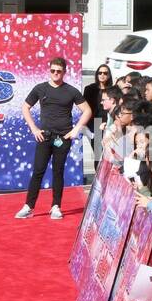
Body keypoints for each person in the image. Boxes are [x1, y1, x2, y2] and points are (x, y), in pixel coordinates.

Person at [16, 56, 91, 220]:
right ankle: (29, 206)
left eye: (59, 71)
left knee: (58, 171)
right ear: (49, 71)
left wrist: (76, 129)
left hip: (63, 138)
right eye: (53, 71)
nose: (56, 73)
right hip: (44, 137)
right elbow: (25, 107)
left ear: (64, 72)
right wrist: (34, 128)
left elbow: (87, 110)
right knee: (38, 171)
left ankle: (56, 206)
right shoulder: (40, 88)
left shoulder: (71, 91)